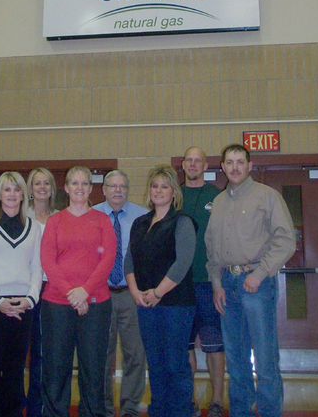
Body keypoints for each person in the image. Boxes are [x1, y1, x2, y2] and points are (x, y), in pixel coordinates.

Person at [205, 144, 296, 417]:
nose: (234, 167)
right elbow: (212, 250)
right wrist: (217, 284)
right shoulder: (218, 202)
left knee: (265, 358)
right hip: (227, 287)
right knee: (236, 358)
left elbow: (285, 241)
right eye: (229, 162)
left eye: (239, 162)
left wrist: (258, 274)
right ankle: (241, 411)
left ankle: (269, 412)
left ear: (250, 165)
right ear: (222, 167)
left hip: (257, 284)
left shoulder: (267, 197)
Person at [40, 166, 116, 417]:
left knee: (93, 369)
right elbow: (48, 261)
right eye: (75, 183)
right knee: (55, 368)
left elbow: (107, 260)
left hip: (96, 304)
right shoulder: (55, 221)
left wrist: (85, 291)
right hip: (57, 304)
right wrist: (72, 294)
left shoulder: (102, 220)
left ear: (91, 188)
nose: (80, 188)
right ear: (66, 188)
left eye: (84, 183)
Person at [125, 164, 196, 417]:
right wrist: (135, 292)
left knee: (176, 363)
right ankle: (159, 411)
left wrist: (157, 292)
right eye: (155, 186)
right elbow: (129, 260)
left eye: (164, 186)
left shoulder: (182, 221)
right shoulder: (139, 223)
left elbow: (182, 263)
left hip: (176, 305)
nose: (158, 190)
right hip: (145, 305)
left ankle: (181, 411)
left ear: (173, 191)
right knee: (155, 364)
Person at [0, 171, 42, 417]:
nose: (12, 194)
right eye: (7, 189)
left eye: (16, 189)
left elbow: (37, 267)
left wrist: (30, 299)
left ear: (23, 194)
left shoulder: (35, 228)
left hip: (23, 306)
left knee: (15, 368)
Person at [93, 170, 147, 417]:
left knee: (135, 354)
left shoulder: (143, 216)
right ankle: (103, 408)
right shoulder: (91, 215)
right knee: (102, 355)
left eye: (122, 186)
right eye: (112, 186)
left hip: (131, 293)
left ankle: (129, 409)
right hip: (100, 293)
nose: (117, 190)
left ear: (127, 189)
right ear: (103, 189)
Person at [181, 146, 225, 417]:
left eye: (198, 160)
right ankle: (189, 400)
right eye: (189, 160)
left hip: (209, 283)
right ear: (183, 165)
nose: (193, 164)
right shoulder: (173, 197)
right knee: (184, 347)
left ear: (206, 165)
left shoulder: (217, 197)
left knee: (214, 345)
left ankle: (217, 401)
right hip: (179, 285)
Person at [23, 167, 58, 417]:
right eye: (38, 183)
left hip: (51, 290)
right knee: (20, 351)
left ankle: (39, 408)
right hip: (24, 291)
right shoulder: (20, 216)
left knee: (43, 354)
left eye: (47, 183)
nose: (42, 187)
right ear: (30, 188)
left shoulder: (60, 217)